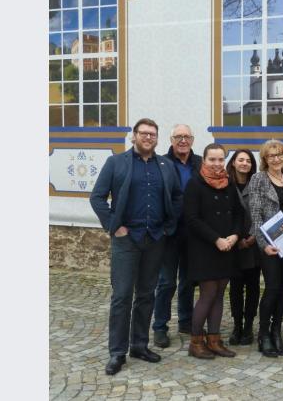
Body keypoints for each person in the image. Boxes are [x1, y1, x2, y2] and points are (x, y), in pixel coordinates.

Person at [90, 118, 183, 375]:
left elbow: (177, 197)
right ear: (134, 136)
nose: (148, 138)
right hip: (126, 240)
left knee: (146, 294)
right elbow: (97, 198)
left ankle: (139, 345)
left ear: (157, 138)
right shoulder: (116, 163)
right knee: (122, 297)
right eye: (144, 133)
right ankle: (117, 353)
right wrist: (113, 226)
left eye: (153, 134)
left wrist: (168, 227)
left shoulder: (165, 165)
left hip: (155, 239)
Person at [183, 143, 243, 359]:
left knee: (219, 295)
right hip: (204, 248)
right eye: (212, 159)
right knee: (207, 294)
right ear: (204, 160)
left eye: (220, 160)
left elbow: (238, 214)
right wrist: (216, 239)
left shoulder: (228, 183)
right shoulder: (195, 184)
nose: (217, 164)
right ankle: (196, 341)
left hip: (227, 247)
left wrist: (235, 236)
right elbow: (191, 219)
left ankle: (215, 340)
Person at [246, 140, 283, 357]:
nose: (276, 159)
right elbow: (256, 215)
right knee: (272, 288)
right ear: (265, 159)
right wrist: (263, 244)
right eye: (271, 156)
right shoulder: (258, 179)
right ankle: (264, 334)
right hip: (269, 244)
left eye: (280, 155)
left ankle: (277, 332)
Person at [152, 124, 202, 349]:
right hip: (169, 232)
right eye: (178, 137)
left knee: (189, 281)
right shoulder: (160, 163)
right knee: (166, 282)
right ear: (171, 139)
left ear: (192, 139)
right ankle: (160, 327)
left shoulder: (201, 163)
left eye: (187, 137)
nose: (183, 140)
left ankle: (185, 320)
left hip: (193, 233)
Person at [225, 149, 261, 346]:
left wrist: (255, 235)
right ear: (233, 163)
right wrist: (236, 237)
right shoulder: (225, 184)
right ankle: (237, 326)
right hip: (233, 244)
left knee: (253, 286)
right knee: (236, 288)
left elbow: (264, 210)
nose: (244, 163)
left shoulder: (257, 183)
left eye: (248, 160)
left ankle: (249, 327)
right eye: (241, 160)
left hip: (254, 243)